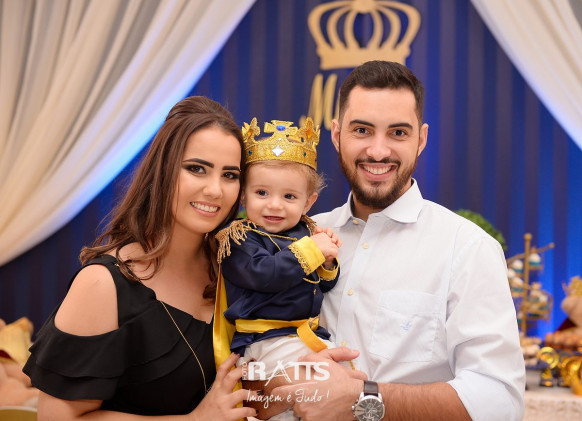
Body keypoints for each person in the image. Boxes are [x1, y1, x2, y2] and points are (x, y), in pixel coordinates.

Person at [289, 61, 525, 421]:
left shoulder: (467, 248)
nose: (378, 151)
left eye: (398, 133)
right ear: (336, 135)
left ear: (421, 140)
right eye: (362, 130)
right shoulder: (301, 234)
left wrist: (363, 398)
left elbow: (500, 401)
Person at [23, 96, 258, 420]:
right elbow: (56, 418)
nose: (215, 190)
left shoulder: (235, 269)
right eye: (196, 169)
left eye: (230, 175)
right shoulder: (104, 284)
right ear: (162, 170)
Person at [213, 118, 343, 420]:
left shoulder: (306, 231)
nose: (274, 205)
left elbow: (322, 286)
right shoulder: (238, 238)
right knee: (319, 390)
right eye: (261, 193)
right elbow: (265, 274)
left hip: (302, 339)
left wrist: (326, 261)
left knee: (339, 389)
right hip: (265, 342)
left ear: (308, 202)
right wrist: (312, 250)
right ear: (243, 195)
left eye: (289, 196)